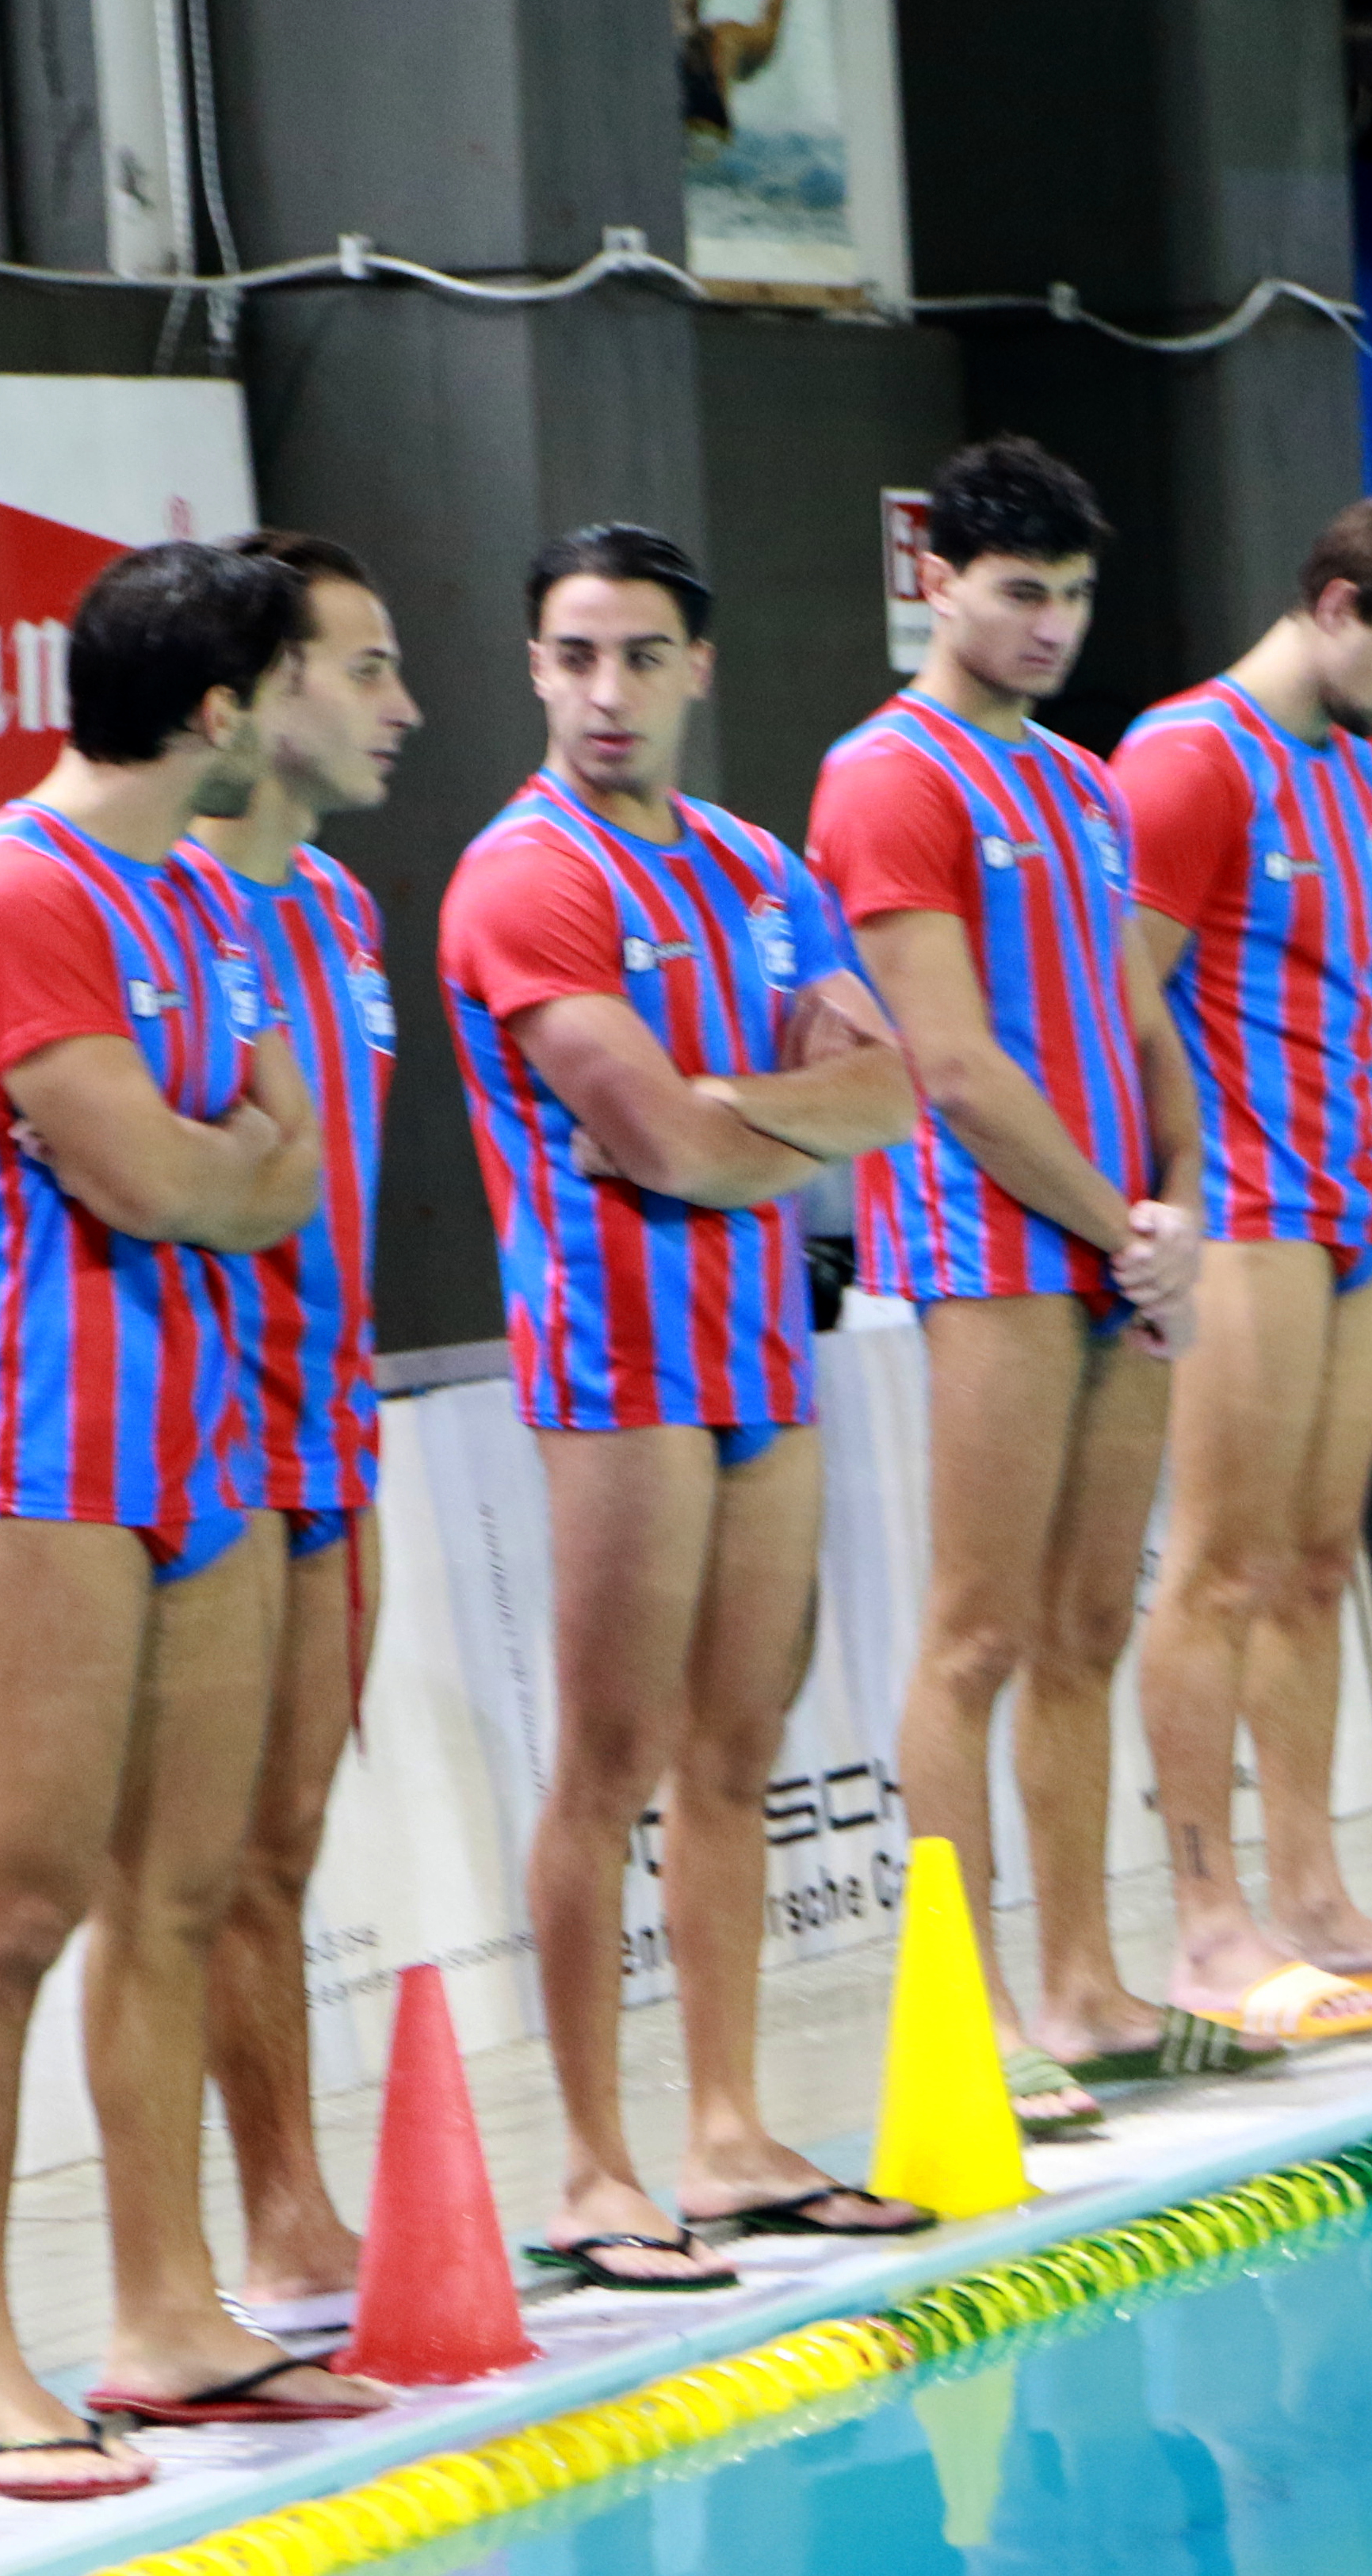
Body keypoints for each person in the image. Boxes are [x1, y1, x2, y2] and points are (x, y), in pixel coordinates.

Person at [0, 542, 379, 2484]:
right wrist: (222, 1167)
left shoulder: (201, 893)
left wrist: (223, 1167)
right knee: (16, 1908)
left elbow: (280, 1160)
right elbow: (179, 1181)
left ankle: (170, 2309)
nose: (313, 713)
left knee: (180, 1894)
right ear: (217, 711)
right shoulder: (15, 890)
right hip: (45, 1453)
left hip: (204, 1444)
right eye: (288, 680)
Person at [437, 521, 931, 2292]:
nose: (606, 691)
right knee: (608, 1764)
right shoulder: (521, 877)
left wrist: (735, 1122)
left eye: (641, 655)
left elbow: (890, 1087)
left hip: (755, 1354)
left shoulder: (745, 860)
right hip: (615, 1360)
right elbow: (655, 1141)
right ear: (532, 669)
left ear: (698, 669)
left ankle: (725, 2132)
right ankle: (591, 2164)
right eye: (574, 656)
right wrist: (748, 1119)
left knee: (739, 1749)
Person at [807, 439, 1201, 2133]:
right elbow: (950, 1065)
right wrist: (1117, 1222)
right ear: (938, 584)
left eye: (1073, 595)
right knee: (972, 1636)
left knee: (1085, 1628)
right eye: (1019, 592)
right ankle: (964, 2023)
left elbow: (1138, 1016)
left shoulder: (1085, 781)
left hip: (1115, 1240)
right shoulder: (887, 777)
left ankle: (1087, 1986)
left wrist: (1180, 1194)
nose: (1050, 625)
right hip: (989, 1247)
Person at [1117, 498, 1372, 2051]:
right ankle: (1206, 1926)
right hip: (1249, 1207)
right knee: (1217, 1565)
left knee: (1317, 1560)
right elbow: (1120, 994)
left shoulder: (1349, 765)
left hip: (1351, 1197)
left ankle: (1316, 1894)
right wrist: (1177, 1193)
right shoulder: (1189, 757)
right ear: (1333, 606)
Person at [188, 531, 422, 2340]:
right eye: (365, 668)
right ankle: (260, 2229)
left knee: (285, 1845)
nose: (402, 708)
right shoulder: (150, 901)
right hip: (195, 1453)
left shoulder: (336, 911)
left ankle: (292, 2207)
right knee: (202, 1864)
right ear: (259, 690)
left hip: (330, 1429)